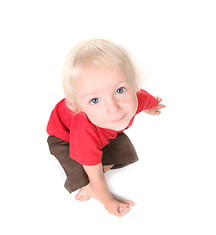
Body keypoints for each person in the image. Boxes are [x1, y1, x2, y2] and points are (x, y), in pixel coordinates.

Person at [47, 39, 165, 217]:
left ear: (134, 83)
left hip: (105, 133)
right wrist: (108, 201)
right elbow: (95, 175)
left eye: (120, 90)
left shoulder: (136, 99)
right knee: (82, 173)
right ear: (77, 106)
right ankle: (89, 191)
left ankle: (92, 183)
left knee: (125, 151)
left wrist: (153, 107)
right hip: (65, 137)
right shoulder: (85, 134)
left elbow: (147, 101)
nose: (113, 108)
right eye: (94, 100)